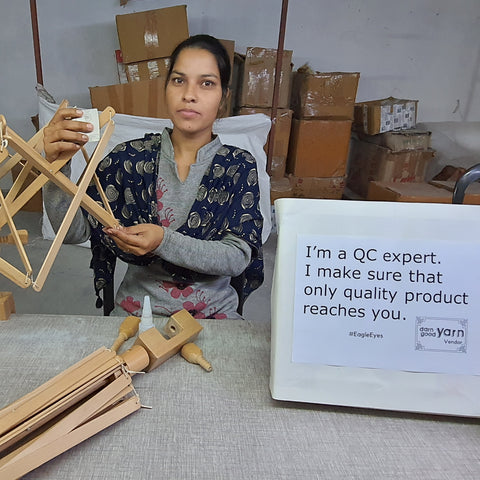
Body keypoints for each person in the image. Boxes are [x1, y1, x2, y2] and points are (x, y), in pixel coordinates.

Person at [43, 34, 264, 320]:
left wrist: (162, 241)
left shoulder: (237, 167)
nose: (189, 94)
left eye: (207, 83)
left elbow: (236, 257)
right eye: (178, 80)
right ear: (166, 89)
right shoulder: (129, 161)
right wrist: (54, 165)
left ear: (224, 97)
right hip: (136, 314)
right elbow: (74, 231)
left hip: (215, 317)